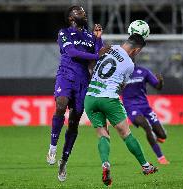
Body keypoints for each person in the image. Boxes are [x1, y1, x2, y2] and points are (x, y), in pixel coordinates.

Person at [46, 5, 110, 182]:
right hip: (66, 75)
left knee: (73, 123)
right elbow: (72, 52)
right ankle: (52, 146)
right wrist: (97, 55)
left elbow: (99, 53)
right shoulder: (64, 32)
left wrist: (99, 38)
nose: (84, 13)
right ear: (71, 18)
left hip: (83, 82)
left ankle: (64, 162)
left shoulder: (90, 37)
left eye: (83, 11)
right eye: (79, 12)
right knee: (61, 104)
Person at [84, 34, 158, 186]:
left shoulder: (109, 48)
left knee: (102, 134)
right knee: (125, 133)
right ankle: (145, 166)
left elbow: (93, 64)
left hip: (90, 97)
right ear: (136, 50)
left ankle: (105, 163)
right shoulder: (129, 64)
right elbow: (121, 87)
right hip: (109, 98)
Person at [122, 65, 170, 165]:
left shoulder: (143, 71)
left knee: (162, 135)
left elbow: (157, 86)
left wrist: (160, 81)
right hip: (131, 107)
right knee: (146, 126)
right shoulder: (120, 72)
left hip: (145, 107)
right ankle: (161, 157)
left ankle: (158, 136)